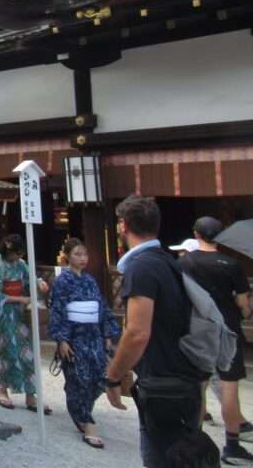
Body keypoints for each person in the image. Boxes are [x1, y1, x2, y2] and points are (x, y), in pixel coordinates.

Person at [105, 195, 203, 468]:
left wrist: (113, 376)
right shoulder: (169, 262)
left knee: (161, 458)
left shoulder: (141, 267)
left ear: (123, 226)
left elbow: (137, 332)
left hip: (162, 382)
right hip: (184, 374)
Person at [180, 216, 253, 465]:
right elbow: (244, 304)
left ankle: (195, 441)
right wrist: (241, 309)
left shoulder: (185, 263)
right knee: (229, 386)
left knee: (198, 386)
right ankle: (232, 446)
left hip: (198, 330)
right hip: (227, 329)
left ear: (196, 234)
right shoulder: (231, 264)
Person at [48, 237, 121, 448]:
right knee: (79, 378)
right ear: (67, 257)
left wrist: (107, 333)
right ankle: (88, 423)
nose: (82, 259)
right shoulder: (62, 281)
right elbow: (58, 310)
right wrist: (61, 338)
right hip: (74, 335)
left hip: (93, 335)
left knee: (99, 377)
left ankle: (81, 410)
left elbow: (101, 306)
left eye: (84, 254)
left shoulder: (90, 280)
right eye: (77, 254)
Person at [0, 233, 50, 411]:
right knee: (7, 351)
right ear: (9, 249)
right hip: (5, 313)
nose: (19, 257)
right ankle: (3, 391)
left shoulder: (21, 264)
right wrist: (18, 299)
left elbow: (30, 276)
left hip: (22, 315)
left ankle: (31, 395)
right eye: (17, 253)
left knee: (28, 352)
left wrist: (39, 282)